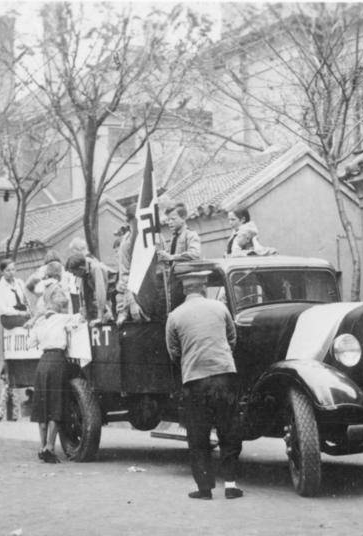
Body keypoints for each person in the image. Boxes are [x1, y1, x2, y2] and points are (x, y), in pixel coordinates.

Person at [165, 271, 243, 500]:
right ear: (203, 287)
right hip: (224, 376)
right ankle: (231, 485)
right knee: (228, 431)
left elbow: (173, 352)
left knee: (198, 436)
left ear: (184, 290)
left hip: (195, 380)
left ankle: (205, 489)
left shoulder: (175, 316)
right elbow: (232, 338)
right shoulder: (220, 308)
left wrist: (191, 360)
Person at [28, 288, 78, 463]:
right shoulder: (65, 319)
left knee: (43, 406)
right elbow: (79, 320)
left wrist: (35, 320)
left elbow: (30, 343)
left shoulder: (40, 322)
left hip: (43, 363)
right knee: (56, 404)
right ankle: (50, 446)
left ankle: (43, 447)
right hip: (57, 361)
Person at [156, 202, 201, 311]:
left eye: (173, 219)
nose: (169, 223)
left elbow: (195, 253)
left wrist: (172, 257)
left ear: (183, 218)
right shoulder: (173, 238)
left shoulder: (190, 235)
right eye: (168, 220)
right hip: (174, 282)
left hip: (187, 283)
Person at [115, 203, 147, 325]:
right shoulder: (126, 243)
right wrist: (132, 302)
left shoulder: (150, 237)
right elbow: (125, 275)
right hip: (133, 299)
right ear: (129, 221)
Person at [66, 253, 112, 325]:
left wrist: (100, 317)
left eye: (74, 273)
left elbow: (101, 293)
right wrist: (83, 313)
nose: (74, 276)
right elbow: (82, 294)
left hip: (112, 294)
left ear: (81, 268)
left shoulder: (95, 268)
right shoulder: (83, 272)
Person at [0, 259, 31, 329]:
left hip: (22, 314)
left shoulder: (20, 283)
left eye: (13, 269)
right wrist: (19, 313)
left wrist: (28, 311)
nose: (11, 273)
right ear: (2, 272)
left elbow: (26, 300)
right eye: (8, 270)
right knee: (27, 323)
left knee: (37, 320)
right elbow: (2, 309)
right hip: (8, 317)